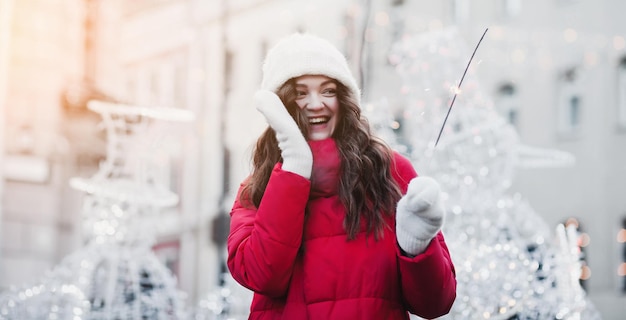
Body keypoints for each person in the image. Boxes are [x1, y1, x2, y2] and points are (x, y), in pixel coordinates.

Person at [227, 32, 456, 320]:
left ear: (344, 97)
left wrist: (417, 246)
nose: (315, 104)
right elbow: (262, 276)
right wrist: (295, 163)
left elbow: (436, 304)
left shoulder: (391, 171)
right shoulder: (257, 187)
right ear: (279, 105)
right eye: (300, 93)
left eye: (328, 90)